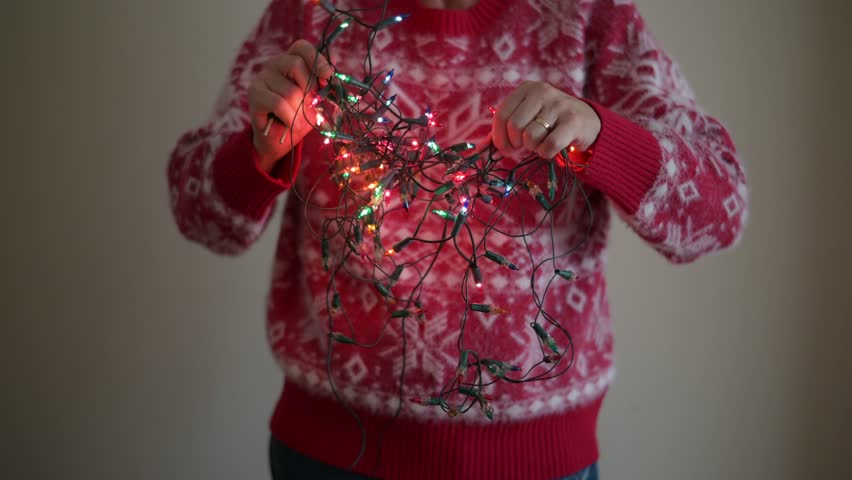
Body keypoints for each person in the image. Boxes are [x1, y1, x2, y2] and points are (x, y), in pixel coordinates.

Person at [167, 0, 748, 478]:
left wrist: (600, 134)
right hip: (329, 457)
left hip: (539, 463)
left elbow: (719, 211)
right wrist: (259, 152)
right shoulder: (314, 16)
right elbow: (200, 216)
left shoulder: (587, 19)